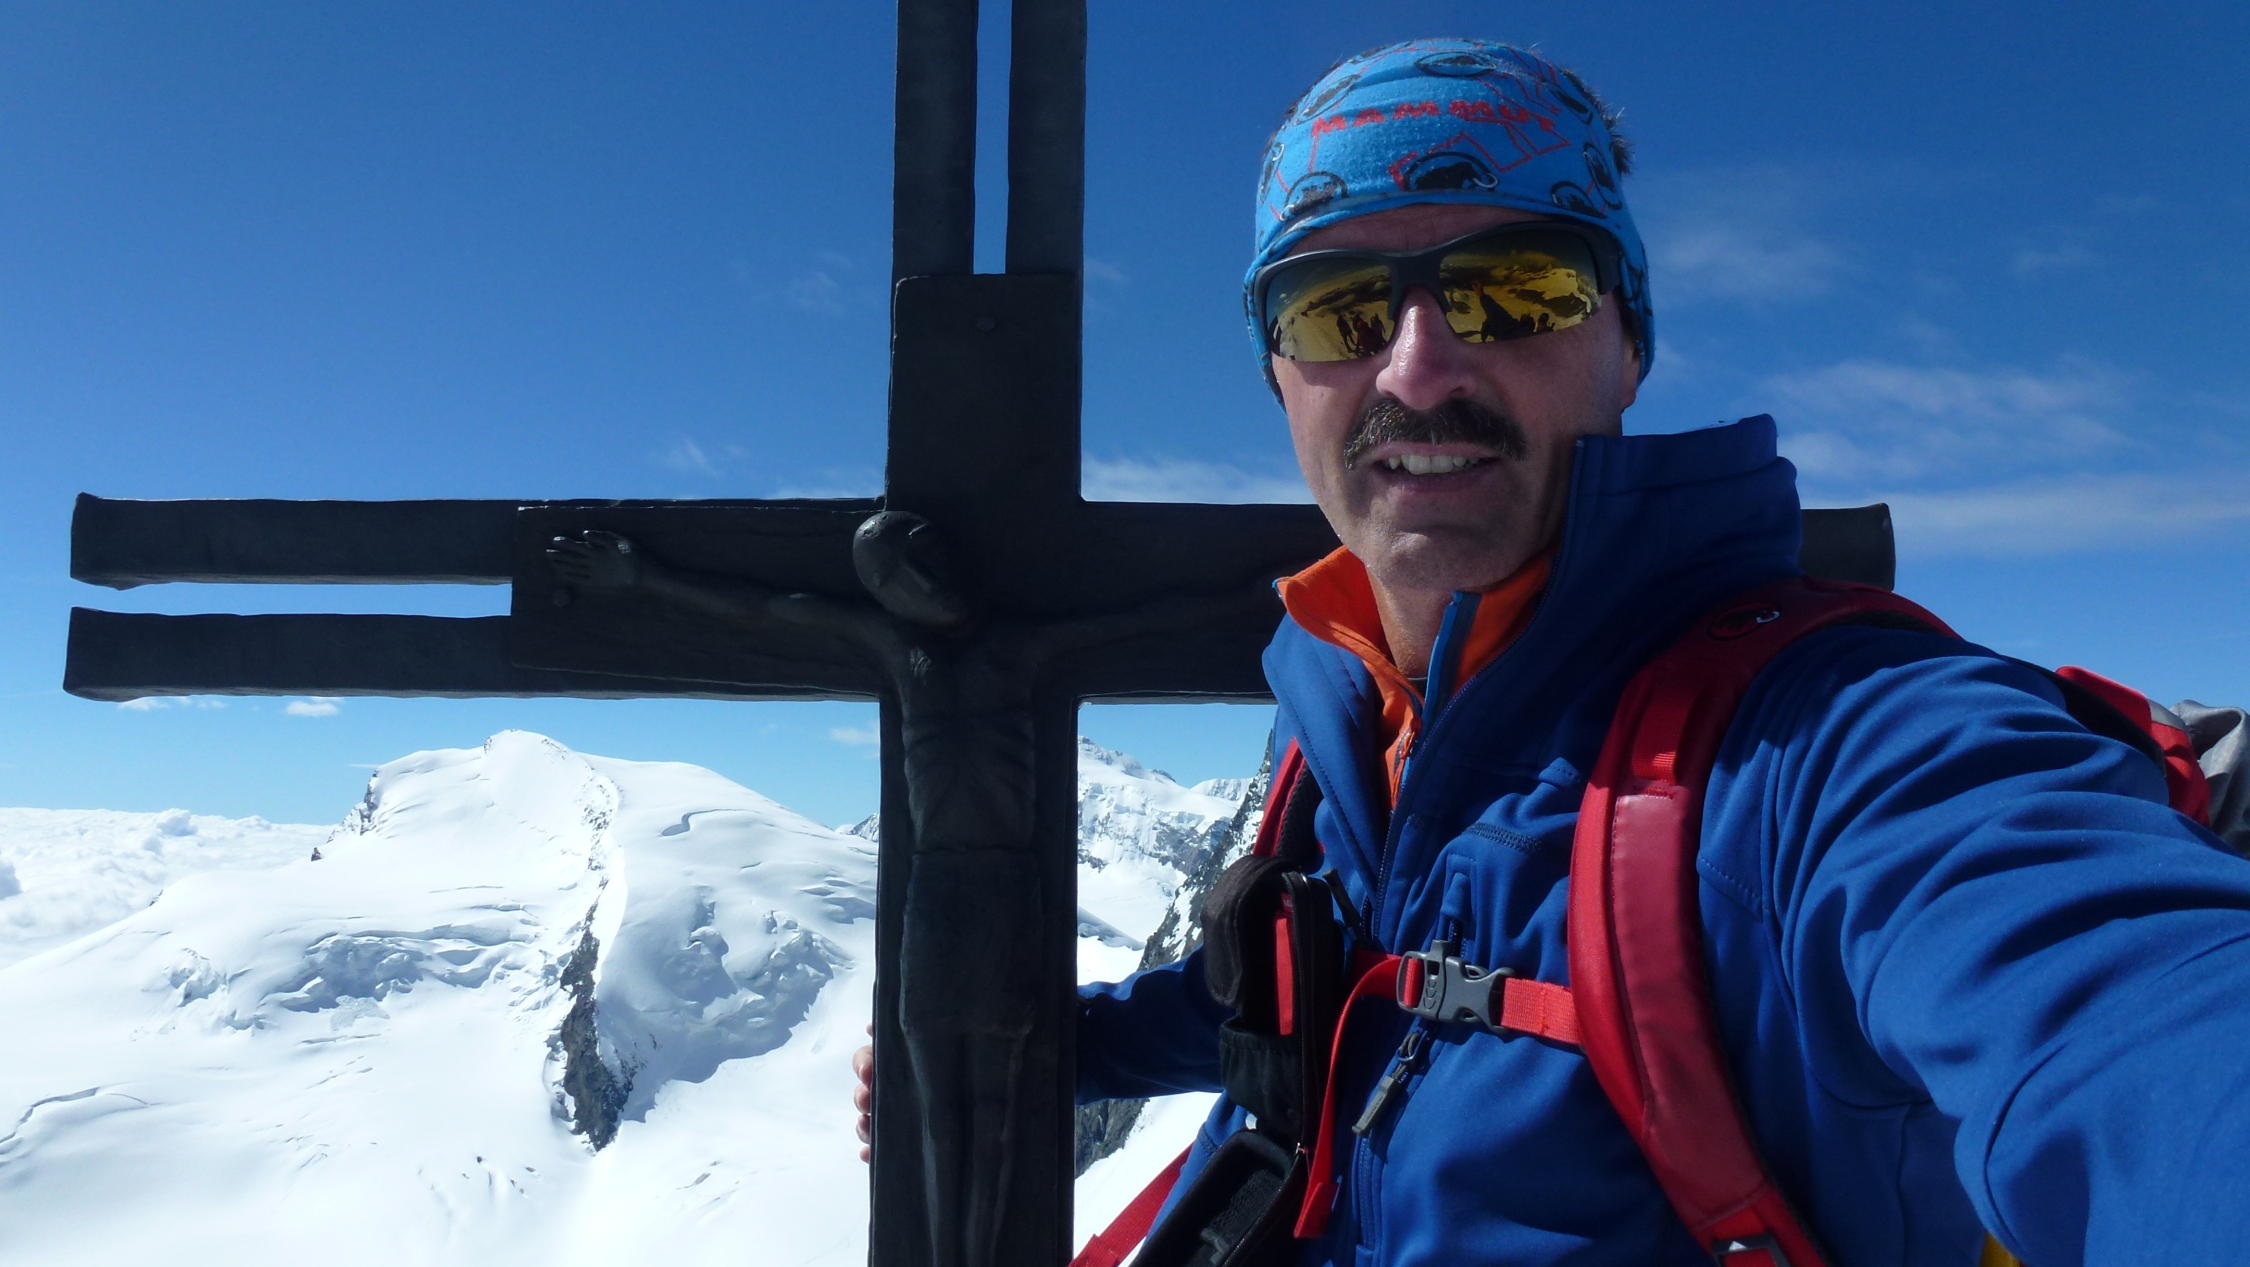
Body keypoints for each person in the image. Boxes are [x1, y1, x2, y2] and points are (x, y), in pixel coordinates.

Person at [860, 38, 2250, 1265]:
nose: (1417, 368)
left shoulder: (1832, 743)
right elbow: (1334, 974)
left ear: (1626, 340)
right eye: (1337, 309)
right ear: (1278, 373)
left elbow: (2123, 1020)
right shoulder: (1349, 708)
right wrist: (1080, 1045)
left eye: (1515, 287)